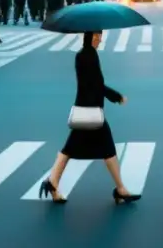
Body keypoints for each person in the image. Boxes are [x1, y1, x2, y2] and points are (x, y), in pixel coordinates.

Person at [39, 31, 141, 205]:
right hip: (91, 111)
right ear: (92, 36)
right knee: (106, 148)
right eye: (99, 35)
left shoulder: (82, 54)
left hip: (85, 109)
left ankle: (53, 182)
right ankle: (120, 189)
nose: (101, 39)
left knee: (71, 149)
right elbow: (97, 85)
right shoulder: (89, 55)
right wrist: (116, 96)